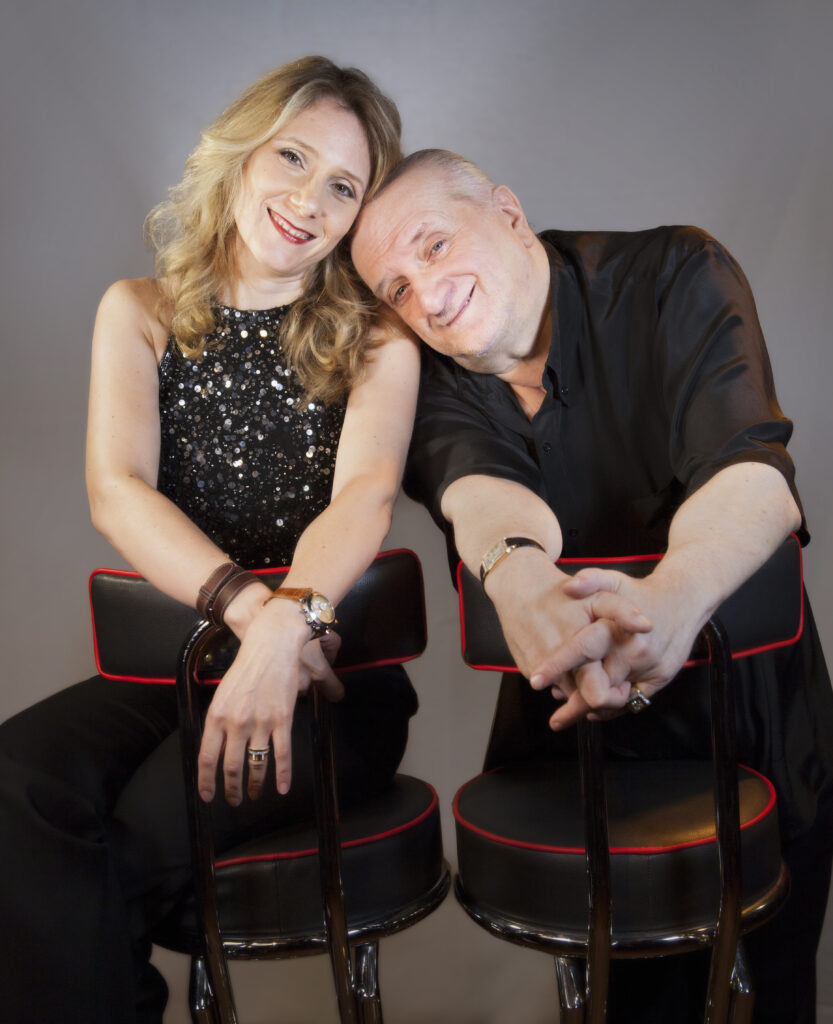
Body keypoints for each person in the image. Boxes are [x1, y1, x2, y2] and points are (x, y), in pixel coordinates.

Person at [350, 149, 833, 1023]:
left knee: (764, 993)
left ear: (506, 210)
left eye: (433, 246)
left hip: (750, 716)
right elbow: (481, 496)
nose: (426, 299)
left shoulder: (675, 273)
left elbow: (752, 477)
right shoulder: (426, 376)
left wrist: (669, 600)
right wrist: (519, 580)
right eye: (395, 289)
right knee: (622, 1004)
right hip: (575, 739)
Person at [0, 58, 422, 1024]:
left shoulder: (376, 340)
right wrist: (251, 616)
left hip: (331, 685)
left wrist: (286, 634)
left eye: (343, 187)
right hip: (180, 665)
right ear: (240, 153)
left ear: (358, 217)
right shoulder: (138, 311)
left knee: (117, 848)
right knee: (14, 787)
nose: (308, 200)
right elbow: (115, 491)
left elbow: (365, 497)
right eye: (293, 158)